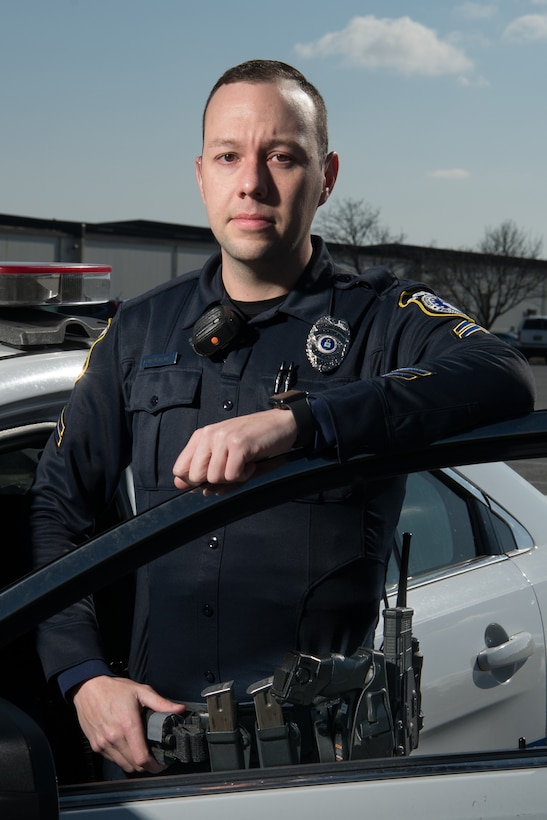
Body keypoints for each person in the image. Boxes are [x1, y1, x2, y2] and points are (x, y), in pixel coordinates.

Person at [29, 59, 535, 778]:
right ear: (200, 172)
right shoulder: (138, 331)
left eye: (283, 157)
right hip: (150, 758)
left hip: (316, 769)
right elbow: (60, 509)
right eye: (229, 156)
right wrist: (82, 675)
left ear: (325, 177)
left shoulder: (379, 318)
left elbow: (503, 373)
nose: (253, 183)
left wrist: (300, 422)